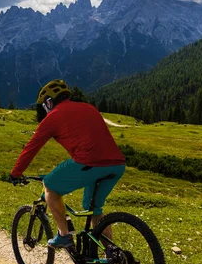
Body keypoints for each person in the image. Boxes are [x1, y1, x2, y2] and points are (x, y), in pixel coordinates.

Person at [9, 79, 126, 249]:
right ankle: (113, 254)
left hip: (89, 163)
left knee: (49, 184)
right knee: (93, 208)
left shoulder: (53, 117)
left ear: (49, 101)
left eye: (44, 106)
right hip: (117, 165)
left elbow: (31, 148)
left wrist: (16, 173)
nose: (45, 109)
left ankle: (64, 235)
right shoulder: (89, 107)